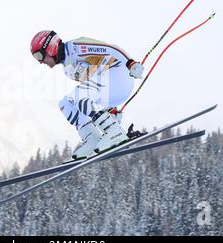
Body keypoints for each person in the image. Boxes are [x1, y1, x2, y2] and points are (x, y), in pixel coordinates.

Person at [30, 30, 144, 160]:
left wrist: (131, 63)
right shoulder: (68, 69)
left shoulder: (76, 47)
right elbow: (95, 90)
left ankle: (114, 131)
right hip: (111, 86)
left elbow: (111, 48)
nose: (40, 62)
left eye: (39, 56)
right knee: (66, 103)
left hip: (120, 73)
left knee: (78, 96)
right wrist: (110, 110)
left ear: (50, 47)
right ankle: (93, 139)